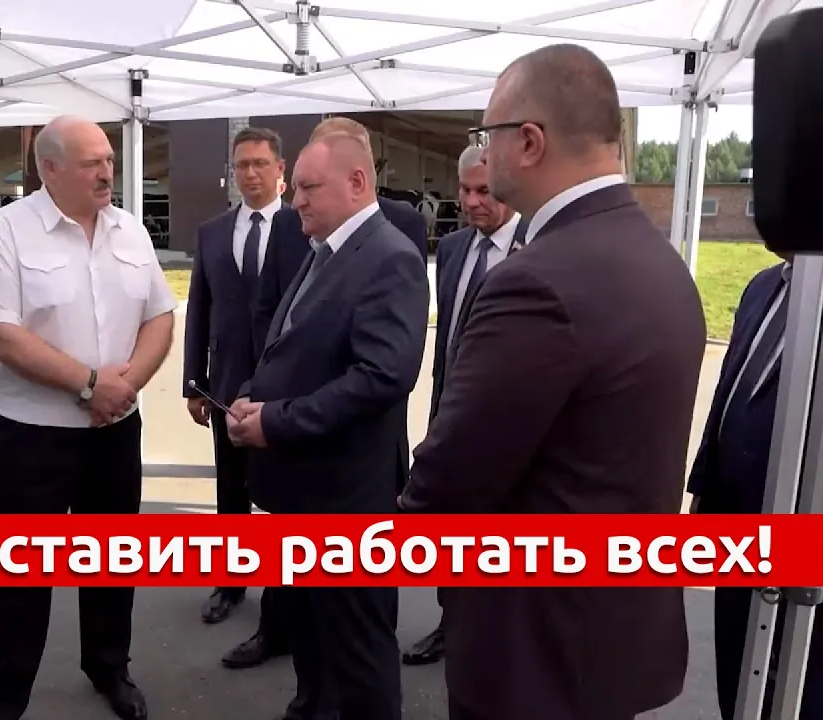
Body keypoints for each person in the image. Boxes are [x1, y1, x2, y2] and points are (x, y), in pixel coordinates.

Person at [397, 44, 705, 720]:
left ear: (530, 141)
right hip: (612, 636)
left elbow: (455, 473)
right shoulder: (661, 261)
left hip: (535, 648)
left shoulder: (538, 279)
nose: (484, 151)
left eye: (487, 134)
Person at [0, 114, 177, 720]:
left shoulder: (130, 231)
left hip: (115, 429)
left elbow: (160, 315)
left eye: (108, 160)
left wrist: (124, 386)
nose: (106, 173)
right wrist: (88, 384)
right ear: (49, 169)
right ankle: (4, 693)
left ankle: (109, 666)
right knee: (21, 571)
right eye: (91, 163)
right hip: (32, 435)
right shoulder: (7, 232)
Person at [227, 132, 428, 720]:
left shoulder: (389, 258)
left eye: (309, 188)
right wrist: (253, 395)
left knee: (358, 650)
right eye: (297, 189)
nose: (297, 202)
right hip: (308, 492)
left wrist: (277, 422)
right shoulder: (326, 251)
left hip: (348, 500)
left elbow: (382, 377)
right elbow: (297, 347)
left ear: (357, 183)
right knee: (313, 635)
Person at [402, 145, 527, 666]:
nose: (473, 202)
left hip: (506, 429)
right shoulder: (452, 249)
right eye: (466, 191)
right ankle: (450, 624)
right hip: (448, 410)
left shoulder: (536, 249)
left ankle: (497, 637)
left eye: (485, 192)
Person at [688, 256, 820, 719]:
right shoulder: (763, 287)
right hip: (737, 520)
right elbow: (729, 389)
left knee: (801, 682)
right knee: (739, 666)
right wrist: (702, 485)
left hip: (806, 533)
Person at [183, 126, 287, 626]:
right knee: (231, 491)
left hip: (284, 386)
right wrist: (194, 382)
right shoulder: (213, 232)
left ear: (280, 169)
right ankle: (230, 583)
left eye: (260, 164)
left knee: (285, 493)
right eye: (241, 165)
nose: (250, 174)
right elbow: (198, 311)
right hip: (224, 384)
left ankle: (285, 594)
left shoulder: (302, 228)